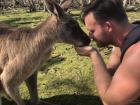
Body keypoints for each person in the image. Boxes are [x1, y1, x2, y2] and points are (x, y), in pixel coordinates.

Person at [74, 0, 140, 105]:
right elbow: (110, 71)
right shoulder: (132, 31)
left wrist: (93, 54)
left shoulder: (137, 53)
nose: (90, 36)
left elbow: (109, 101)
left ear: (108, 26)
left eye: (92, 31)